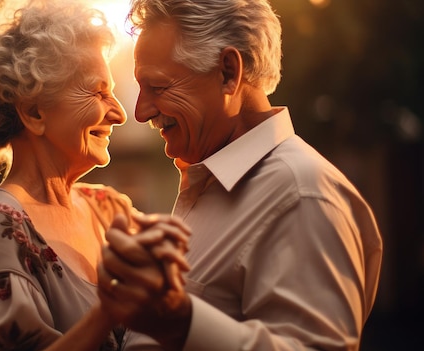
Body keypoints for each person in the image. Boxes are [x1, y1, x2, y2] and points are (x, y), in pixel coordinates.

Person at [97, 0, 384, 350]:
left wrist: (181, 321)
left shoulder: (302, 194)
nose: (140, 112)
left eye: (158, 87)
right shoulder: (209, 182)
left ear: (228, 73)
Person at [0, 0, 190, 350]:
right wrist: (107, 314)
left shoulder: (110, 209)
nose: (120, 114)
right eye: (99, 92)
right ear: (35, 112)